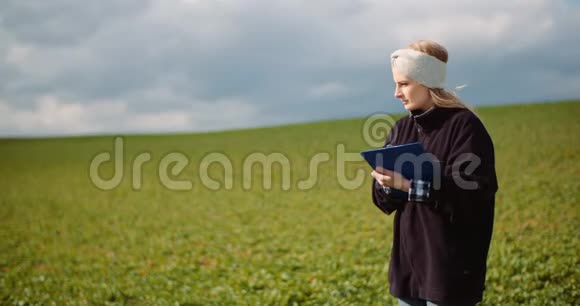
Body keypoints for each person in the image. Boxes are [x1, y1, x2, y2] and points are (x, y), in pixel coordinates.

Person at [370, 40, 498, 306]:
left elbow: (471, 194)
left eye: (404, 84)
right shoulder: (400, 129)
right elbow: (384, 203)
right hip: (409, 271)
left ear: (427, 81)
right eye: (395, 84)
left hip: (450, 272)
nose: (396, 93)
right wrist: (385, 185)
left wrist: (408, 186)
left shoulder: (464, 127)